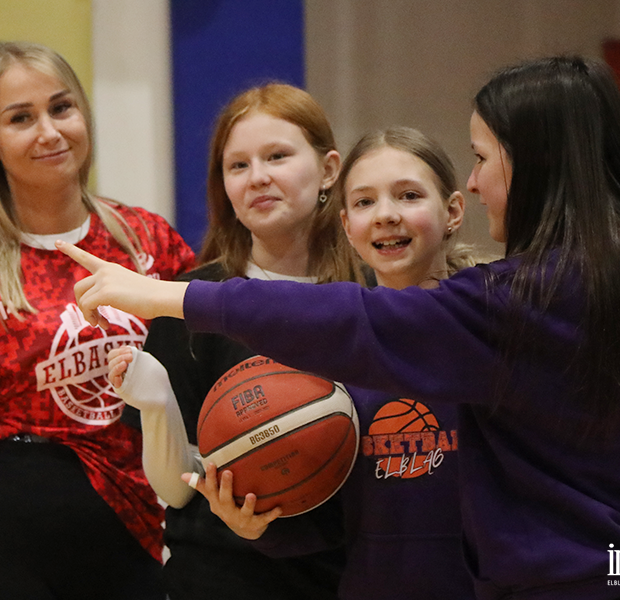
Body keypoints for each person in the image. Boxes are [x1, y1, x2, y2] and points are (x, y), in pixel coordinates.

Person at [60, 55, 620, 600]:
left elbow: (365, 322)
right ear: (344, 218)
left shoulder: (529, 301)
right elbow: (349, 512)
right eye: (366, 202)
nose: (480, 180)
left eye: (482, 158)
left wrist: (169, 295)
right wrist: (267, 523)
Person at [0, 41, 195, 600]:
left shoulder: (150, 240)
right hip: (8, 541)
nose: (50, 132)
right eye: (20, 118)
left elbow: (200, 400)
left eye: (62, 108)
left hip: (138, 530)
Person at [187, 126, 477, 599]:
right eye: (364, 203)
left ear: (453, 211)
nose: (385, 215)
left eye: (407, 195)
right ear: (346, 225)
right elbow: (326, 520)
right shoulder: (331, 359)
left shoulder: (489, 329)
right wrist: (257, 520)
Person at [109, 83, 361, 600]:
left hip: (348, 572)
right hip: (219, 576)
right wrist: (156, 403)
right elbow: (176, 491)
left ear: (329, 169)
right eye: (238, 165)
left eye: (277, 156)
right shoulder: (188, 303)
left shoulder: (374, 296)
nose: (258, 178)